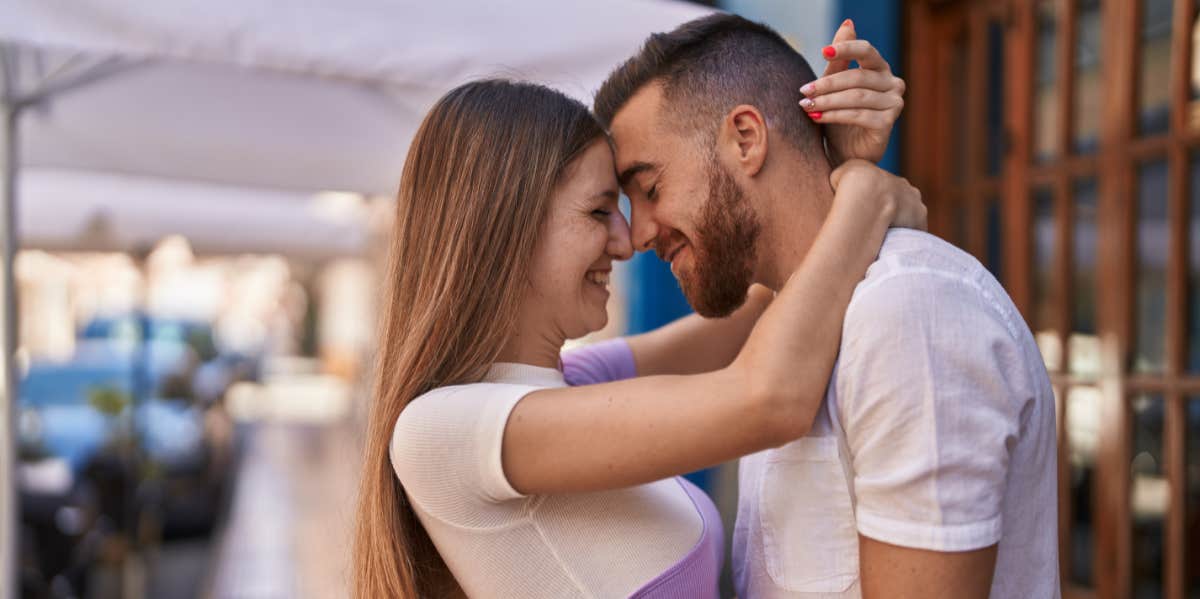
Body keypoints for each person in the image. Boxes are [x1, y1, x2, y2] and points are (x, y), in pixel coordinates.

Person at [352, 33, 920, 599]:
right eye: (601, 210)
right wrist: (864, 196)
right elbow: (770, 398)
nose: (628, 242)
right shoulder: (444, 429)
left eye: (639, 198)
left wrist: (829, 167)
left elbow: (772, 305)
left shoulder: (571, 385)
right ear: (503, 228)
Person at [592, 14, 1059, 599]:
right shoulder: (794, 328)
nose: (638, 237)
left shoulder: (906, 310)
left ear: (746, 138)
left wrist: (854, 185)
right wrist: (852, 183)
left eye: (651, 189)